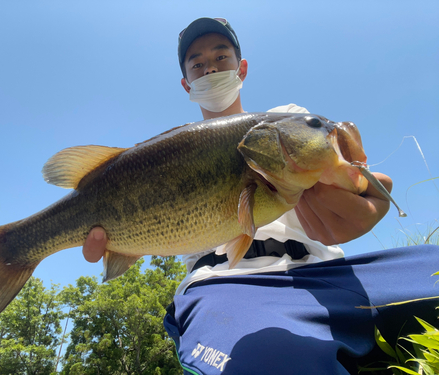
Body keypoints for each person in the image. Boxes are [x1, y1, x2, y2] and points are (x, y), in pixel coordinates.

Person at [83, 18, 439, 375]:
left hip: (328, 272)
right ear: (186, 83)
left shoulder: (289, 120)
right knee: (275, 359)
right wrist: (122, 239)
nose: (210, 68)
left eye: (221, 57)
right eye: (197, 63)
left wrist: (365, 193)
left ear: (242, 68)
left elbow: (360, 180)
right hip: (226, 285)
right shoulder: (165, 158)